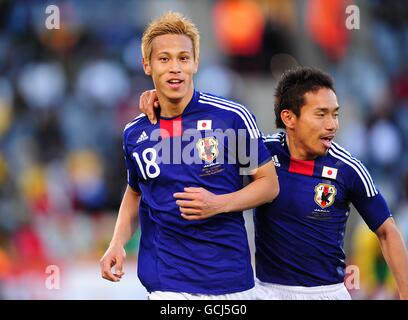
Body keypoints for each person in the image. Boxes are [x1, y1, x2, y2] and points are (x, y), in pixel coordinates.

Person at [139, 67, 408, 300]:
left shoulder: (347, 168)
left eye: (335, 115)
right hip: (266, 290)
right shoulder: (262, 154)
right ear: (289, 118)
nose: (332, 125)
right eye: (321, 115)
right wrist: (166, 103)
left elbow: (387, 232)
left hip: (326, 291)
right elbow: (204, 144)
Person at [99, 11, 279, 300]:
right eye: (164, 59)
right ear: (147, 65)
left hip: (229, 281)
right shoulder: (135, 133)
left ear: (195, 63)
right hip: (166, 283)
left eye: (183, 58)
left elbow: (269, 184)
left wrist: (219, 204)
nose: (175, 68)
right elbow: (135, 192)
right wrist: (117, 242)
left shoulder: (231, 118)